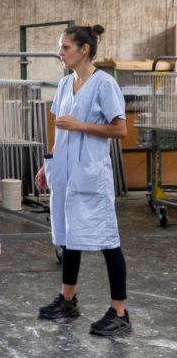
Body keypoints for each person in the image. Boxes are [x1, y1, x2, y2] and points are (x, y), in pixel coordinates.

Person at [34, 24, 130, 336]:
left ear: (84, 49)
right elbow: (61, 128)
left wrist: (82, 125)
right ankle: (67, 299)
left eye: (65, 48)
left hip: (90, 174)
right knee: (69, 234)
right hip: (65, 172)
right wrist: (46, 164)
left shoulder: (104, 84)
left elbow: (120, 130)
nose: (60, 53)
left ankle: (120, 312)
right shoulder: (65, 84)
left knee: (107, 240)